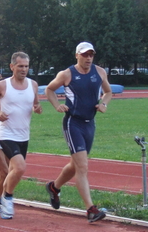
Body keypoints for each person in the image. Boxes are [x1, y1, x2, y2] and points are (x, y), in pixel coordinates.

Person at [44, 42, 113, 222]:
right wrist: (57, 105)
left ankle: (54, 187)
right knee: (82, 167)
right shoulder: (67, 74)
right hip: (73, 123)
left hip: (90, 123)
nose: (88, 58)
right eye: (85, 55)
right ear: (77, 55)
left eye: (91, 55)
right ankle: (91, 210)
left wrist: (104, 104)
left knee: (75, 165)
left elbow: (108, 92)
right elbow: (49, 89)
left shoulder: (99, 72)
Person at [0, 51, 42, 219]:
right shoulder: (3, 85)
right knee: (20, 168)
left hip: (24, 135)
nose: (24, 69)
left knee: (15, 171)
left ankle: (1, 201)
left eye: (26, 66)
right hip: (7, 134)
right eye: (20, 66)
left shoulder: (33, 85)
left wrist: (37, 108)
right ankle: (7, 199)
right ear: (12, 66)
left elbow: (36, 103)